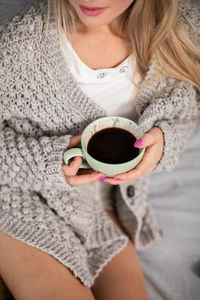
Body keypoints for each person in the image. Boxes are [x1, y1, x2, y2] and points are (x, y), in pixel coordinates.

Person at [0, 0, 199, 299]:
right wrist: (52, 160)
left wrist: (164, 140)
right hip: (22, 198)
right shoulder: (21, 49)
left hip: (104, 210)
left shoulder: (176, 31)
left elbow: (183, 113)